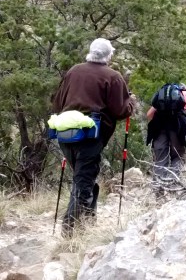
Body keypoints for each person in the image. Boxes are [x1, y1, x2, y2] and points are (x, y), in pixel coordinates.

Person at [51, 38, 133, 235]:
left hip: (65, 133)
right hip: (90, 136)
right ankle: (70, 232)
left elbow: (57, 102)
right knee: (83, 182)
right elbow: (120, 110)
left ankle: (88, 220)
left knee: (83, 178)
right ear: (108, 55)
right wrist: (131, 103)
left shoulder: (73, 71)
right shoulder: (113, 77)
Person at [146, 83, 186, 182]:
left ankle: (158, 189)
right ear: (185, 89)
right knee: (178, 156)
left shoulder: (163, 96)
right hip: (177, 126)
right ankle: (174, 186)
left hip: (159, 127)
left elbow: (149, 114)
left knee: (161, 158)